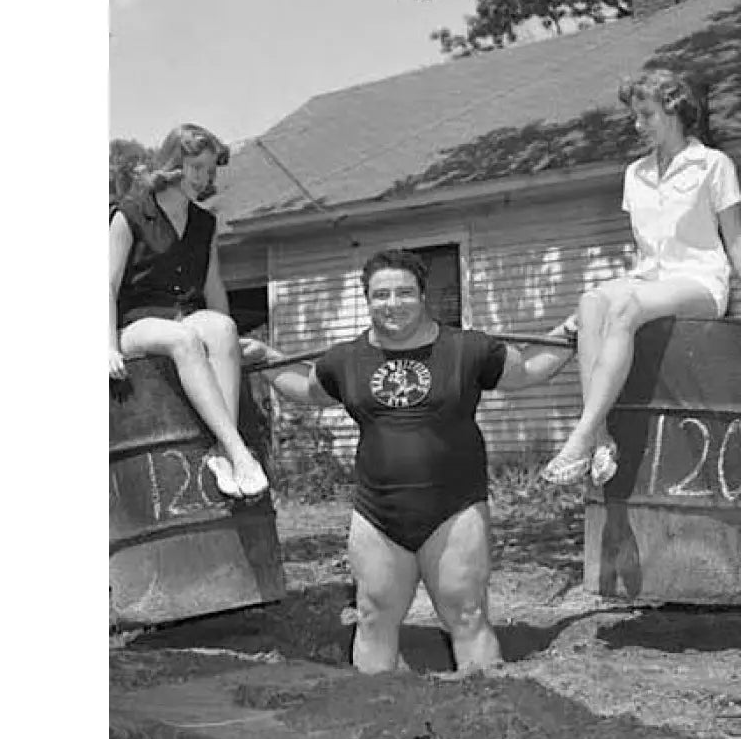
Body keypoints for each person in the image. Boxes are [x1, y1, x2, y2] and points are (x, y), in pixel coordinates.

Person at [240, 250, 576, 675]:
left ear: (422, 297)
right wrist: (264, 358)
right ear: (368, 300)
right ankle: (375, 721)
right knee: (373, 615)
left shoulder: (466, 349)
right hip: (377, 513)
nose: (392, 303)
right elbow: (309, 390)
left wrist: (568, 333)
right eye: (380, 295)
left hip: (455, 510)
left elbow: (526, 370)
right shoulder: (346, 359)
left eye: (403, 293)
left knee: (468, 614)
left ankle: (486, 714)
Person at [542, 68, 741, 485]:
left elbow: (735, 241)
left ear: (674, 109)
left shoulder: (713, 165)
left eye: (646, 115)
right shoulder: (636, 174)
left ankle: (581, 436)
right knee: (591, 302)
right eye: (635, 116)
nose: (638, 125)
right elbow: (646, 252)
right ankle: (601, 436)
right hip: (652, 277)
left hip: (701, 280)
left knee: (628, 307)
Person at [109, 124, 267, 498]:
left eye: (210, 170)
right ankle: (238, 451)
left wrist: (231, 340)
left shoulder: (204, 223)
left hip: (185, 313)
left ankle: (221, 452)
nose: (204, 178)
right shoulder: (129, 215)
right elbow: (106, 285)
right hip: (135, 322)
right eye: (196, 167)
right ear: (172, 164)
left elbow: (212, 284)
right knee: (183, 338)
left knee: (222, 327)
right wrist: (106, 346)